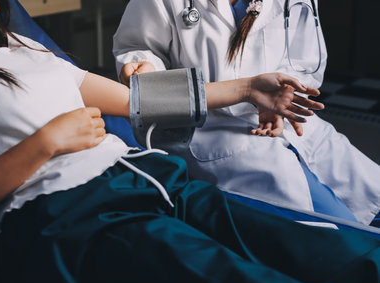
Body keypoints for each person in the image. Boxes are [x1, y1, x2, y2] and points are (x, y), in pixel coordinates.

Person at [0, 0, 380, 283]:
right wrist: (46, 143)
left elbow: (136, 101)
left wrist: (248, 88)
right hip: (77, 217)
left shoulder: (24, 48)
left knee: (312, 247)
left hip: (153, 181)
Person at [113, 0, 380, 225]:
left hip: (293, 127)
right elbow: (136, 48)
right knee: (339, 230)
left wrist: (283, 98)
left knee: (369, 190)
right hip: (212, 132)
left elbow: (304, 58)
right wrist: (142, 65)